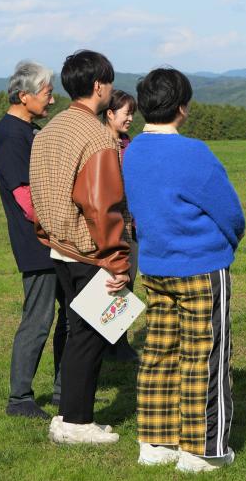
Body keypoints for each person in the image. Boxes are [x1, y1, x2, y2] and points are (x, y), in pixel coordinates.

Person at [123, 68, 245, 473]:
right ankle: (204, 449)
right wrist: (229, 243)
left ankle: (155, 442)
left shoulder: (133, 150)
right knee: (205, 356)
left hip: (155, 267)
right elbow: (230, 213)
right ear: (182, 108)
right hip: (201, 266)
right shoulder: (194, 153)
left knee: (159, 352)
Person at [30, 49, 130, 444]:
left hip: (58, 246)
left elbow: (39, 191)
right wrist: (118, 260)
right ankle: (76, 422)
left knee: (79, 333)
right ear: (98, 86)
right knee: (91, 336)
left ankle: (70, 415)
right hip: (90, 251)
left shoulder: (50, 129)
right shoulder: (97, 136)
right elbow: (103, 205)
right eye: (109, 82)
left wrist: (48, 233)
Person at [0, 60, 67, 419]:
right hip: (38, 243)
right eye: (47, 93)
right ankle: (19, 398)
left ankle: (64, 390)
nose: (51, 101)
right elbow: (26, 198)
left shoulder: (27, 129)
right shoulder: (10, 135)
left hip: (56, 239)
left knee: (70, 315)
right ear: (24, 96)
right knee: (38, 320)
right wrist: (60, 225)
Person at [101, 89, 139, 363]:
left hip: (131, 227)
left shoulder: (130, 145)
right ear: (110, 113)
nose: (130, 119)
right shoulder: (99, 145)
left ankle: (119, 342)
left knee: (129, 282)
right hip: (107, 225)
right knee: (107, 284)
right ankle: (103, 343)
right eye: (127, 113)